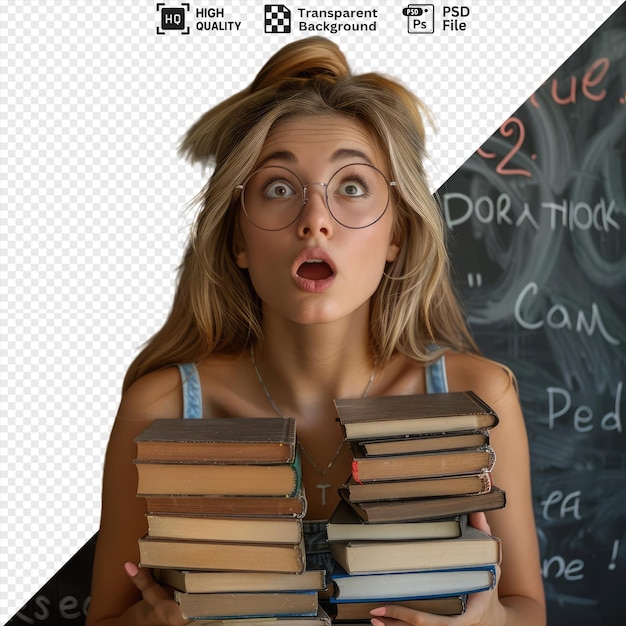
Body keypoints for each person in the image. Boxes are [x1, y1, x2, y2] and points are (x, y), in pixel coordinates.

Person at [86, 37, 546, 626]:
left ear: (397, 236)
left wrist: (492, 623)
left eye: (351, 187)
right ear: (238, 241)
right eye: (279, 188)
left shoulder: (479, 401)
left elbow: (529, 610)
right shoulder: (162, 408)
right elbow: (106, 619)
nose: (314, 220)